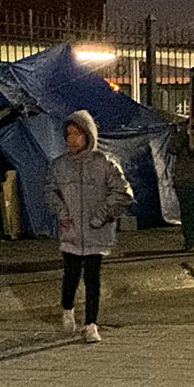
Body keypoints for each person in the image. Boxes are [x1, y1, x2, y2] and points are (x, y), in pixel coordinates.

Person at [48, 110, 134, 343]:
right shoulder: (60, 166)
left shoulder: (104, 163)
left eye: (77, 134)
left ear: (88, 135)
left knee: (92, 278)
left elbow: (123, 193)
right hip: (72, 232)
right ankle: (68, 310)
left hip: (97, 232)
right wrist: (63, 213)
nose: (72, 139)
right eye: (68, 134)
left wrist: (102, 215)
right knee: (71, 275)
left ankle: (91, 324)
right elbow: (50, 192)